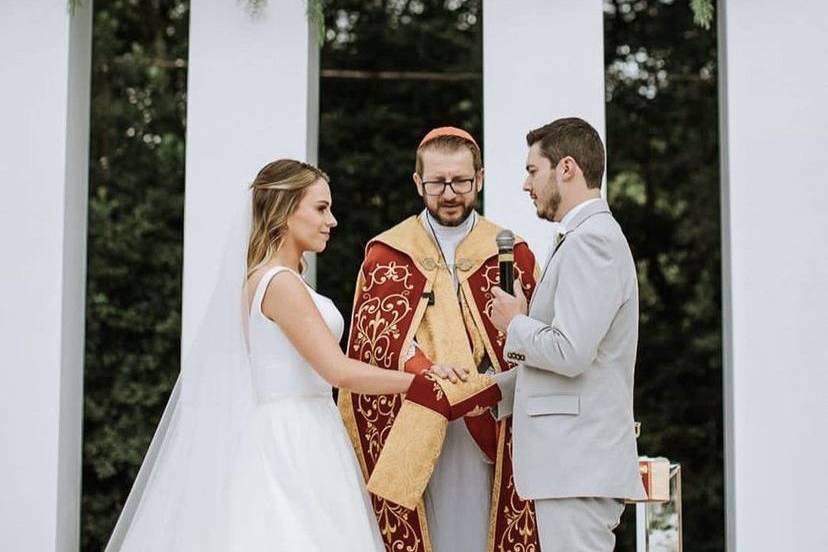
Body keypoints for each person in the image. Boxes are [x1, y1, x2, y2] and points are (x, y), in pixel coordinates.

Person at [106, 159, 438, 551]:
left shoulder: (273, 280)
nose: (331, 221)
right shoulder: (279, 284)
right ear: (283, 211)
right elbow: (337, 370)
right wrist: (419, 384)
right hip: (292, 437)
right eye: (320, 208)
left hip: (305, 427)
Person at [338, 127, 542, 552]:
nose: (449, 193)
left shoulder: (511, 253)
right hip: (412, 419)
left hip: (490, 424)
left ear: (480, 178)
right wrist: (427, 373)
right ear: (418, 183)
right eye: (437, 183)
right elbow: (372, 346)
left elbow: (536, 342)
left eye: (461, 182)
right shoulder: (388, 254)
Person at [489, 117, 647, 552]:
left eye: (532, 170)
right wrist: (486, 395)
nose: (525, 184)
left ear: (567, 169)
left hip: (578, 466)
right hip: (574, 467)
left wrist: (515, 322)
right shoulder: (583, 237)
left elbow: (570, 352)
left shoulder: (591, 241)